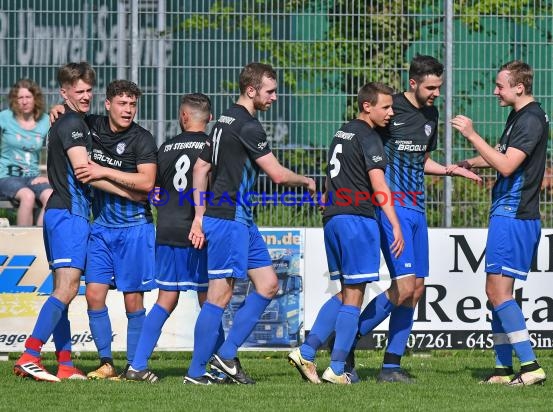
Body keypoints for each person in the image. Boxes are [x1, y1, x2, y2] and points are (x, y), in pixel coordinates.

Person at [326, 55, 481, 383]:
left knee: (416, 289)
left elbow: (421, 160)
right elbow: (368, 157)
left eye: (439, 86)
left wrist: (452, 170)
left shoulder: (431, 114)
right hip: (392, 208)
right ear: (413, 84)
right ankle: (346, 340)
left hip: (418, 209)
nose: (436, 92)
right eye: (430, 87)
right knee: (404, 286)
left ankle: (391, 365)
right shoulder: (389, 110)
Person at [185, 62, 316, 385]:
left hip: (238, 218)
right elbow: (277, 175)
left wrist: (200, 214)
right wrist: (308, 181)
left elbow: (201, 169)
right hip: (229, 218)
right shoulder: (248, 126)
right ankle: (196, 373)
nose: (274, 97)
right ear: (251, 90)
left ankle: (226, 355)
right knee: (219, 297)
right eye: (270, 92)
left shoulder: (222, 121)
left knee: (269, 284)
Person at [288, 82, 404, 384]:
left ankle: (308, 351)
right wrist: (394, 223)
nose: (391, 113)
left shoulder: (342, 132)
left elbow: (331, 177)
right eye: (386, 107)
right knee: (354, 296)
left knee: (344, 292)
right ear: (367, 106)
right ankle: (336, 369)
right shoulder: (369, 137)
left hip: (334, 219)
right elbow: (380, 187)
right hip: (356, 220)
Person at [451, 60, 547, 386]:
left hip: (514, 215)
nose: (495, 91)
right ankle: (503, 368)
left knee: (498, 292)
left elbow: (506, 166)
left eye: (500, 86)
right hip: (507, 215)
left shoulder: (531, 119)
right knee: (496, 292)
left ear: (519, 87)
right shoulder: (519, 116)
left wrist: (471, 134)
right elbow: (504, 153)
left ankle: (530, 366)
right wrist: (468, 162)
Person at [124, 93, 224, 383]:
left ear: (183, 116)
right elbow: (209, 188)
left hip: (166, 229)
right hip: (197, 230)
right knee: (212, 301)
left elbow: (155, 191)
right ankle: (216, 364)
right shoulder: (210, 146)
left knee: (166, 299)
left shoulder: (166, 146)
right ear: (209, 118)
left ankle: (137, 364)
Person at [13, 62, 95, 382]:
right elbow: (83, 169)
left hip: (59, 213)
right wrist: (130, 183)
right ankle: (30, 354)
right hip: (69, 214)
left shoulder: (69, 119)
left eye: (89, 90)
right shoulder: (73, 122)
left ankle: (64, 364)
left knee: (63, 288)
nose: (86, 96)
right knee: (67, 287)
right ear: (64, 92)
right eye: (79, 91)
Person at [72, 80, 157, 380]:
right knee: (94, 295)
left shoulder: (142, 139)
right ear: (108, 104)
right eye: (122, 103)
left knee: (133, 301)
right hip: (102, 229)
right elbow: (70, 114)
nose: (128, 110)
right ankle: (107, 363)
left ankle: (135, 366)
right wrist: (57, 110)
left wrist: (103, 170)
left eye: (132, 104)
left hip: (135, 229)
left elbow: (147, 184)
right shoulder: (91, 126)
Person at [0, 79, 52, 226]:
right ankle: (23, 244)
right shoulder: (5, 117)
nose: (24, 101)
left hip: (33, 176)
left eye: (28, 97)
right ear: (15, 100)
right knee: (27, 196)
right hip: (7, 176)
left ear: (35, 99)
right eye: (20, 98)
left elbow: (58, 150)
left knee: (50, 196)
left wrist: (48, 177)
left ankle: (41, 244)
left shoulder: (45, 120)